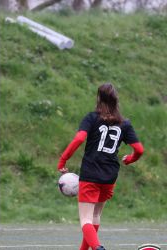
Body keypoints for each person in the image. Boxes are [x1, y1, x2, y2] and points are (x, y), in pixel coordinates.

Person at [57, 83, 144, 250]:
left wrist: (63, 160)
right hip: (110, 175)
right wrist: (131, 159)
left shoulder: (91, 118)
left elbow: (79, 139)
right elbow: (139, 149)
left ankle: (97, 247)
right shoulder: (124, 123)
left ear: (98, 98)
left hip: (90, 173)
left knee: (85, 220)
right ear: (116, 100)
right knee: (95, 215)